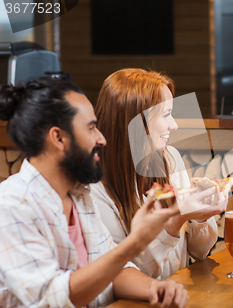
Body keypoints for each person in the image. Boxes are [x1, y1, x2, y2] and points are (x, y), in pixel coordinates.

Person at [0, 79, 190, 307]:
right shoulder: (12, 204)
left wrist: (154, 288)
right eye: (91, 128)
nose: (102, 139)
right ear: (58, 137)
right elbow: (52, 298)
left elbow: (114, 270)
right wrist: (137, 242)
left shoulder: (80, 196)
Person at [90, 68, 224, 279]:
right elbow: (126, 275)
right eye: (166, 114)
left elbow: (199, 252)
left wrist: (201, 217)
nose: (175, 124)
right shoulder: (94, 189)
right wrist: (175, 221)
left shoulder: (170, 158)